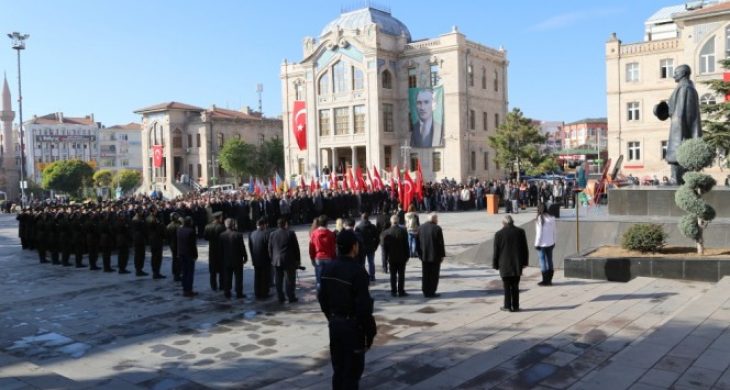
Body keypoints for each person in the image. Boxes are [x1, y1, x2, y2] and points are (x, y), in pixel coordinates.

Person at [317, 229, 377, 390]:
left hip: (335, 324)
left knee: (339, 369)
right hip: (352, 327)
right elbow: (363, 306)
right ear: (354, 247)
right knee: (352, 373)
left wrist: (331, 317)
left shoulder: (328, 268)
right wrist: (370, 332)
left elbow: (322, 297)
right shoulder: (358, 271)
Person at [656, 64, 702, 185]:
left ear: (683, 73)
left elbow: (681, 112)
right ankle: (677, 178)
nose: (673, 75)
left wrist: (680, 132)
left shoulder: (685, 88)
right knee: (678, 154)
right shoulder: (685, 88)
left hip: (680, 128)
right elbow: (674, 109)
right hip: (680, 127)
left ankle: (676, 179)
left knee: (677, 153)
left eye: (676, 72)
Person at [492, 215, 529, 312]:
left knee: (506, 286)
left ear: (503, 223)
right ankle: (515, 306)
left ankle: (507, 306)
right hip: (517, 264)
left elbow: (496, 251)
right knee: (515, 286)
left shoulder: (499, 234)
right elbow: (525, 249)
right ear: (513, 222)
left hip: (504, 264)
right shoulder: (520, 232)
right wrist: (525, 262)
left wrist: (495, 264)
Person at [268, 218, 301, 303]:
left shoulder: (272, 234)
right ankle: (291, 297)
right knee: (289, 279)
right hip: (288, 260)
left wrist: (272, 258)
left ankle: (280, 297)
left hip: (276, 260)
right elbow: (296, 248)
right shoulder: (290, 233)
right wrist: (297, 260)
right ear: (285, 224)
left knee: (278, 280)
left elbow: (270, 248)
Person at [416, 212, 446, 298]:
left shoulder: (420, 228)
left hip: (424, 255)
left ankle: (425, 290)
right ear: (433, 219)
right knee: (434, 275)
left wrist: (419, 253)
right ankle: (432, 291)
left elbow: (417, 242)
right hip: (435, 256)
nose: (437, 220)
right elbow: (441, 243)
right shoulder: (437, 228)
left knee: (425, 274)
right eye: (436, 218)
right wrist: (442, 255)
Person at [381, 215, 410, 297]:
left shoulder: (386, 232)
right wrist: (407, 255)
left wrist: (385, 261)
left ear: (391, 222)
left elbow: (384, 249)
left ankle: (393, 291)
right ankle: (401, 291)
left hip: (391, 257)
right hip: (401, 256)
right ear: (398, 221)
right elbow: (406, 245)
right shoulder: (403, 231)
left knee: (393, 275)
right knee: (401, 275)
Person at [219, 218, 247, 299]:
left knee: (227, 277)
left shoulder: (222, 235)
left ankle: (227, 292)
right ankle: (239, 293)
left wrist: (221, 259)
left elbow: (220, 249)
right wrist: (245, 257)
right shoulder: (238, 235)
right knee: (238, 277)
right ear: (233, 225)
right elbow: (242, 247)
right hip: (237, 260)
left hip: (226, 260)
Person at [309, 215, 336, 289]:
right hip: (328, 257)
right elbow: (333, 248)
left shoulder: (314, 233)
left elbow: (311, 247)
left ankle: (320, 295)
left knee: (319, 279)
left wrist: (312, 258)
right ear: (326, 223)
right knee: (330, 278)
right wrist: (334, 258)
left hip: (318, 257)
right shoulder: (330, 233)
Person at [249, 218, 273, 299]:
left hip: (256, 259)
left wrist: (252, 258)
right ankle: (264, 292)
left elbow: (250, 247)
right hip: (265, 259)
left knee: (257, 276)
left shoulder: (251, 234)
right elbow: (269, 248)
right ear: (263, 225)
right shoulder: (266, 234)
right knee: (264, 277)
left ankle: (257, 292)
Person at [534, 203, 556, 286]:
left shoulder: (540, 218)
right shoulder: (552, 218)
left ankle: (545, 280)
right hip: (550, 242)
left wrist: (537, 243)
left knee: (542, 261)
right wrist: (554, 241)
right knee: (550, 260)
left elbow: (539, 233)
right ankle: (549, 280)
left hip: (542, 244)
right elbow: (554, 231)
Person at [204, 211, 226, 291]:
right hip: (220, 250)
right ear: (219, 217)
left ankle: (213, 285)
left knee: (212, 269)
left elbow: (205, 238)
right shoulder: (222, 227)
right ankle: (221, 285)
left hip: (212, 250)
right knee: (221, 269)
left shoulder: (207, 226)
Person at [177, 216, 199, 297]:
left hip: (181, 253)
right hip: (189, 254)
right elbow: (193, 245)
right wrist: (195, 255)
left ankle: (184, 288)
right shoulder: (191, 231)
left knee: (184, 272)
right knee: (189, 272)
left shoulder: (179, 230)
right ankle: (189, 290)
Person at [355, 212, 379, 282]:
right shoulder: (373, 227)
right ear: (368, 218)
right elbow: (377, 238)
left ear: (361, 218)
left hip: (362, 248)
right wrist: (375, 247)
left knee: (362, 263)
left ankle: (363, 276)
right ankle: (372, 276)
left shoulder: (358, 227)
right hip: (371, 247)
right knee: (371, 262)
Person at [166, 213, 182, 281]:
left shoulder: (168, 226)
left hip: (172, 244)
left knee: (174, 259)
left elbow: (167, 236)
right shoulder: (178, 225)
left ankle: (175, 272)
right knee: (177, 260)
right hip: (177, 244)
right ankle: (177, 275)